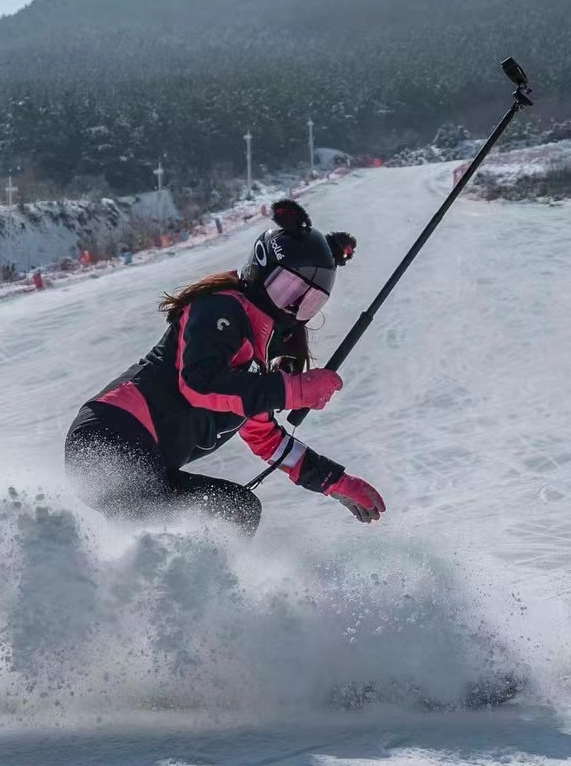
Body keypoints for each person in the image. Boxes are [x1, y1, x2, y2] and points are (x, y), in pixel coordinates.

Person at [64, 199, 385, 535]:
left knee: (237, 511)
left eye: (308, 302)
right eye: (286, 289)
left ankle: (143, 585)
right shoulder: (221, 307)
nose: (292, 307)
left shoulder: (250, 373)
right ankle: (180, 587)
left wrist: (336, 483)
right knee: (215, 521)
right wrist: (293, 390)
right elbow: (200, 384)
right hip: (109, 440)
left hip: (139, 462)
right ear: (260, 267)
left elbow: (269, 441)